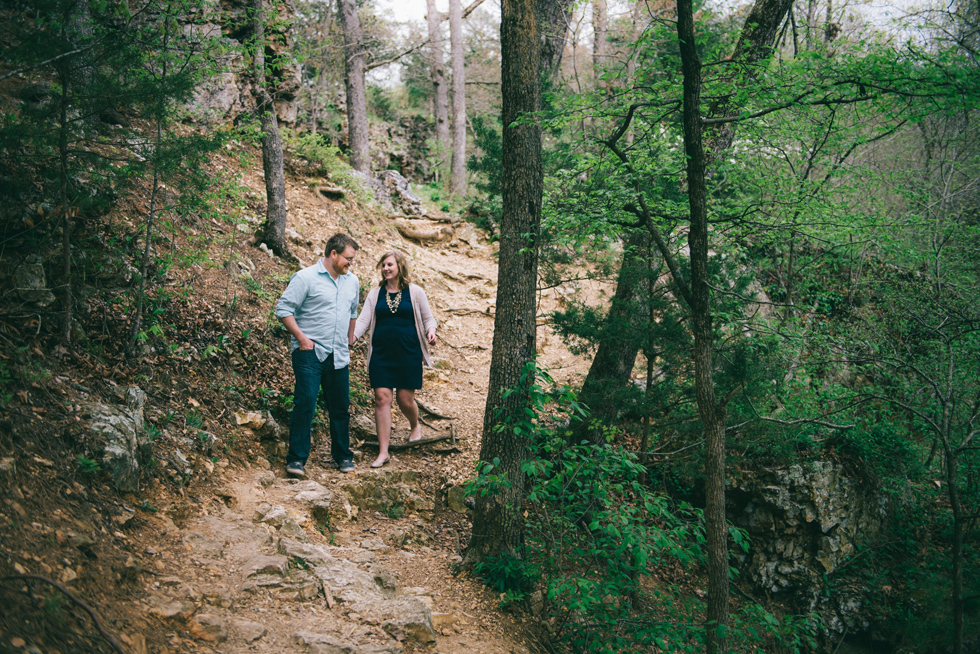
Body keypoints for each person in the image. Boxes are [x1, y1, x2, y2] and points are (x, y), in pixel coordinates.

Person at [275, 233, 360, 478]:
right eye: (348, 258)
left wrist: (350, 337)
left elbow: (353, 311)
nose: (350, 264)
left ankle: (343, 456)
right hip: (310, 352)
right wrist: (302, 339)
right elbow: (283, 309)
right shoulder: (305, 278)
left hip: (339, 354)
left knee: (340, 408)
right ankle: (297, 460)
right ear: (333, 254)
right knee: (306, 403)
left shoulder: (352, 281)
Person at [353, 250, 437, 468]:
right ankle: (383, 452)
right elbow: (363, 320)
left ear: (400, 266)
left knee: (404, 400)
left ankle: (415, 424)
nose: (386, 268)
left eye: (389, 264)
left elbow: (428, 318)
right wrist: (352, 337)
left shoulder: (415, 292)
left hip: (408, 352)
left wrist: (431, 331)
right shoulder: (375, 294)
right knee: (382, 398)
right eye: (383, 265)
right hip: (381, 353)